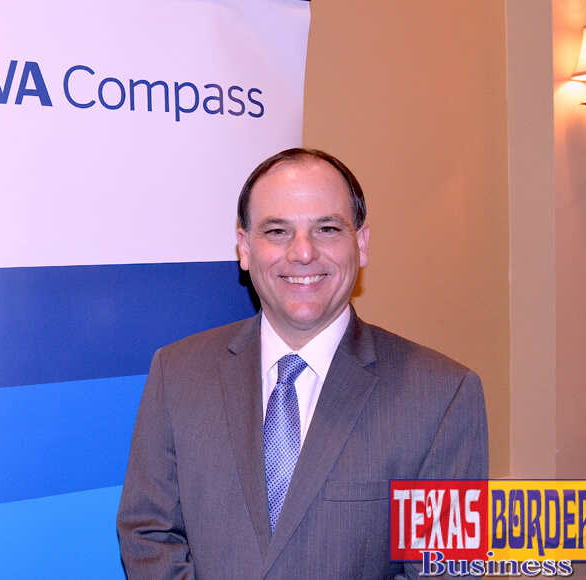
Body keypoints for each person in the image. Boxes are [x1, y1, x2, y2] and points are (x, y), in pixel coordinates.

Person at [116, 148, 488, 579]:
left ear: (361, 244)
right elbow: (148, 532)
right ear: (244, 248)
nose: (303, 253)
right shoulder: (177, 372)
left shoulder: (442, 395)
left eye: (326, 229)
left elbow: (444, 570)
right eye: (277, 231)